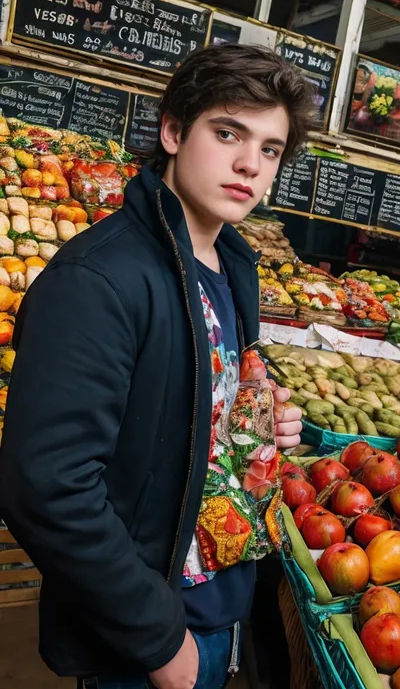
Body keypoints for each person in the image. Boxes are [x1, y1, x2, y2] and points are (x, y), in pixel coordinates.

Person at [0, 43, 314, 689]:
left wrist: (255, 423)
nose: (249, 164)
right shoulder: (98, 280)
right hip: (152, 635)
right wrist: (157, 641)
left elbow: (193, 402)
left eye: (270, 148)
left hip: (224, 601)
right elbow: (48, 484)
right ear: (173, 130)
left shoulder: (233, 268)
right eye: (228, 133)